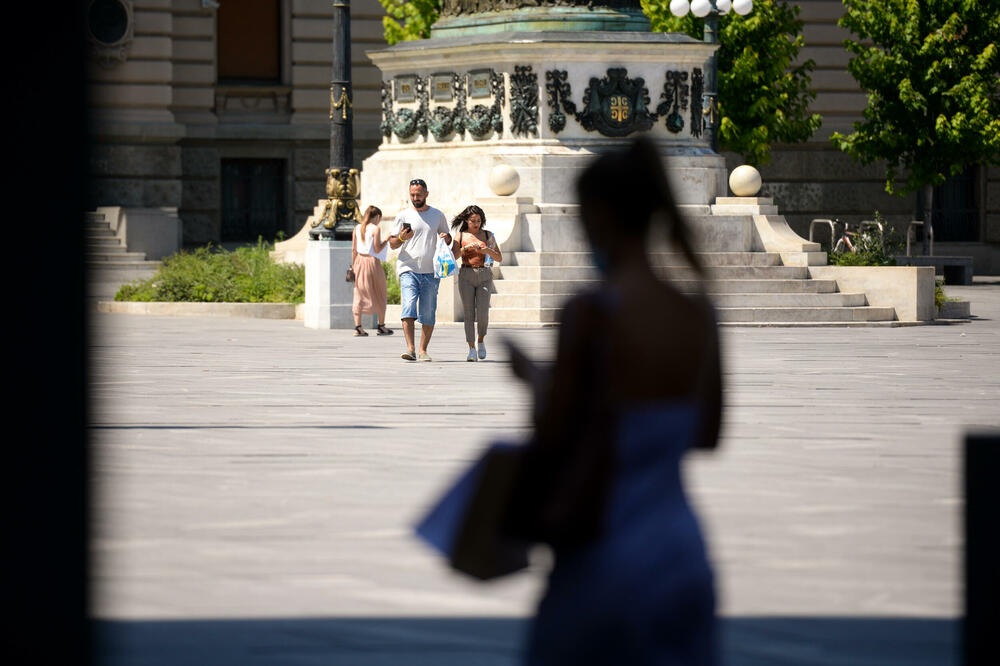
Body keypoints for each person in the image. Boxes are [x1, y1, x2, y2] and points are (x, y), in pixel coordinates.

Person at [507, 137, 724, 665]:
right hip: (678, 549)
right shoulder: (696, 311)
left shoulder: (591, 312)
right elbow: (708, 434)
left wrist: (536, 380)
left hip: (601, 548)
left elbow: (557, 433)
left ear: (599, 216)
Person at [387, 178, 452, 361]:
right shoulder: (403, 216)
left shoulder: (438, 215)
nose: (415, 197)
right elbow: (392, 244)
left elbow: (448, 239)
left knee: (428, 311)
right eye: (412, 194)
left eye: (418, 194)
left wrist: (446, 237)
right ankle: (410, 348)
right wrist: (401, 237)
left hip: (431, 271)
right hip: (408, 268)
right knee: (408, 307)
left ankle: (423, 350)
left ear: (426, 194)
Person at [451, 205, 502, 362]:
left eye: (479, 221)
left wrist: (487, 251)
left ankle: (481, 340)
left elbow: (499, 257)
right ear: (467, 220)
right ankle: (471, 348)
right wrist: (465, 249)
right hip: (466, 273)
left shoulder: (488, 235)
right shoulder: (460, 236)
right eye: (473, 221)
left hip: (485, 274)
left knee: (483, 313)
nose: (476, 224)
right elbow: (454, 256)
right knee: (468, 313)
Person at [351, 205, 393, 337]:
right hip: (372, 262)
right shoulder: (376, 229)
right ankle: (381, 326)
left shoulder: (357, 228)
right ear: (378, 217)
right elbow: (377, 249)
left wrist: (353, 266)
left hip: (358, 261)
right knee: (380, 291)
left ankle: (358, 327)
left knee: (359, 293)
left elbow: (353, 249)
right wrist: (386, 239)